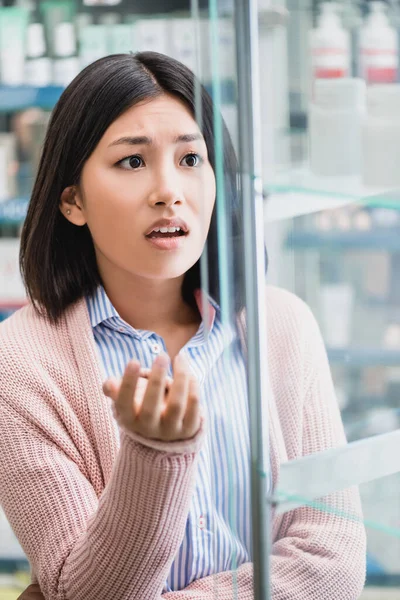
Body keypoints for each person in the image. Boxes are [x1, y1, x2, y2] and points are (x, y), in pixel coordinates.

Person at [0, 52, 366, 600]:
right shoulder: (18, 362)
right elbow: (88, 593)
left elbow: (333, 562)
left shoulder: (281, 325)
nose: (169, 190)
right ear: (72, 201)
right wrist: (155, 453)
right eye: (132, 162)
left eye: (191, 159)